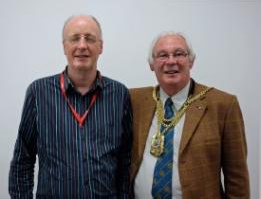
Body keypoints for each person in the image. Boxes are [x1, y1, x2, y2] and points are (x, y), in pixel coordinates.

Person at [9, 14, 132, 198]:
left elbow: (126, 160)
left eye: (90, 38)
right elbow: (22, 160)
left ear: (101, 47)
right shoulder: (38, 92)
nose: (82, 45)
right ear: (64, 46)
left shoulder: (120, 94)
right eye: (75, 38)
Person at [129, 32, 250, 199]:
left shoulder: (223, 105)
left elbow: (237, 177)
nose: (171, 61)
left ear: (191, 61)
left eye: (179, 54)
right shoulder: (134, 100)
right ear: (152, 64)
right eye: (162, 55)